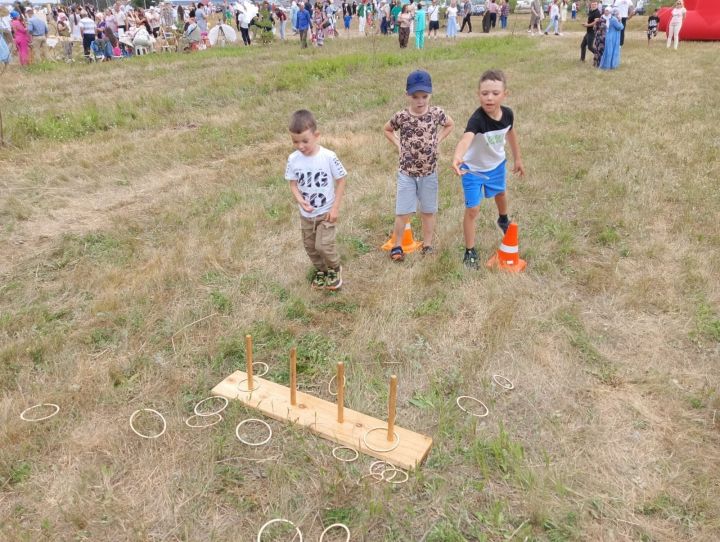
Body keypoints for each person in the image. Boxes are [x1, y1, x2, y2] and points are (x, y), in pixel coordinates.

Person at [451, 70, 525, 269]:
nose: (489, 97)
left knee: (500, 193)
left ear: (504, 94)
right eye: (484, 93)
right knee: (473, 209)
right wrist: (458, 156)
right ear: (478, 94)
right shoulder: (477, 119)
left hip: (497, 165)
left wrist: (517, 158)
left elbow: (511, 134)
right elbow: (466, 138)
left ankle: (503, 219)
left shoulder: (508, 114)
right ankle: (470, 250)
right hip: (472, 170)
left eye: (494, 93)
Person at [383, 70, 454, 261]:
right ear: (407, 94)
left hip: (429, 173)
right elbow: (387, 129)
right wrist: (398, 144)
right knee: (402, 211)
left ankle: (428, 244)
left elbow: (450, 124)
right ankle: (397, 246)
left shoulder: (436, 113)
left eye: (424, 96)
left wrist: (437, 141)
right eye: (415, 97)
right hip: (407, 173)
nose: (420, 101)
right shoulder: (401, 117)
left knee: (428, 210)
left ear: (430, 94)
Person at [285, 110, 347, 291]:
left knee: (323, 245)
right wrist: (300, 201)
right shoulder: (293, 159)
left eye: (305, 141)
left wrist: (335, 208)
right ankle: (321, 270)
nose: (300, 146)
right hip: (306, 215)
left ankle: (335, 268)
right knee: (310, 246)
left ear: (316, 136)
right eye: (295, 141)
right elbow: (293, 185)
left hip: (326, 212)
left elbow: (341, 180)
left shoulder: (328, 157)